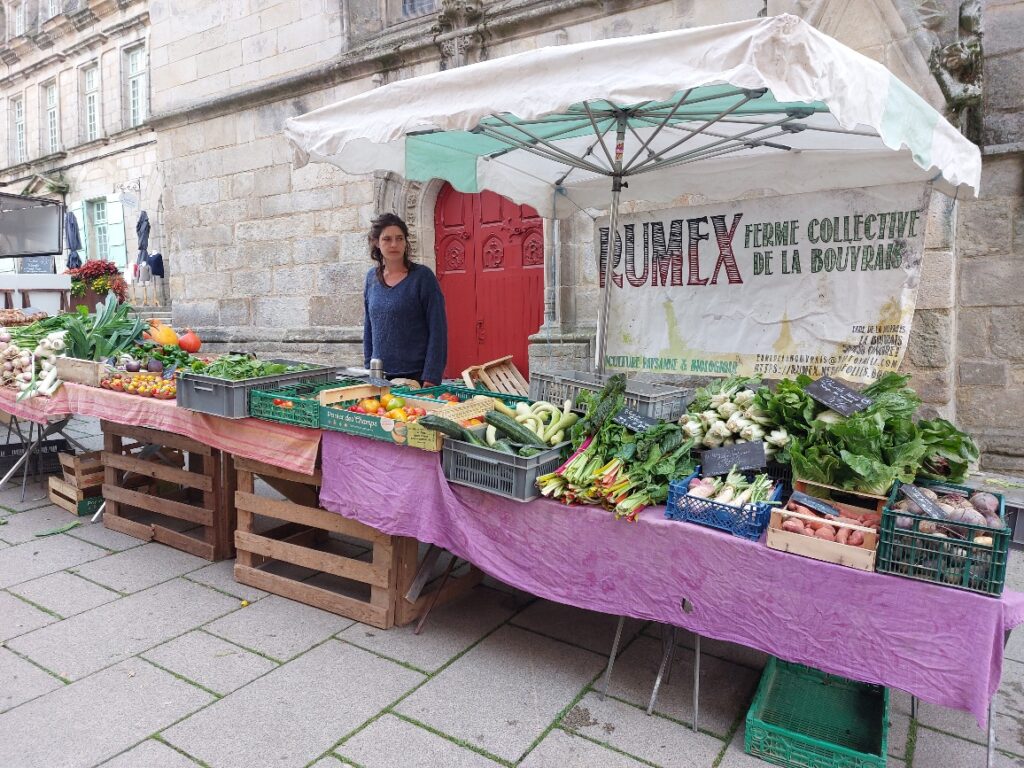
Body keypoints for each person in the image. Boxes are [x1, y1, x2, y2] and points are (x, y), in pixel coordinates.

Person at [363, 213, 447, 387]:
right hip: (380, 377)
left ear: (405, 242)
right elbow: (369, 328)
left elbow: (438, 329)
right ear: (376, 243)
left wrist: (431, 375)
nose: (394, 244)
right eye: (387, 239)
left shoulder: (422, 278)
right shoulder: (371, 279)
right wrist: (368, 369)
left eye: (399, 238)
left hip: (416, 377)